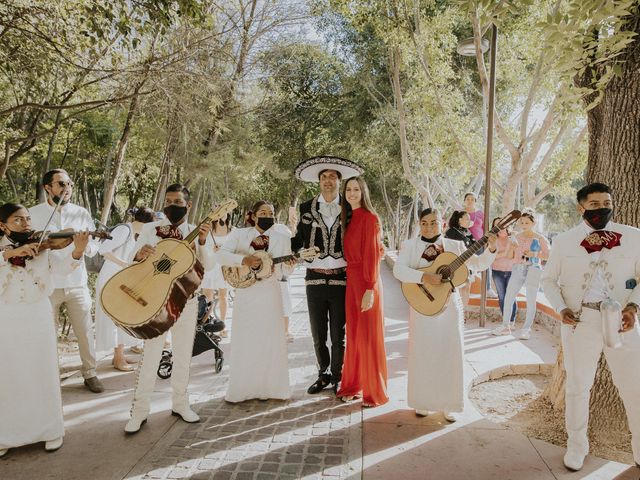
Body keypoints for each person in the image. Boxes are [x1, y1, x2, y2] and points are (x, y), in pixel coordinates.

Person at [541, 182, 640, 472]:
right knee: (577, 387)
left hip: (622, 322)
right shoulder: (563, 241)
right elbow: (548, 281)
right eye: (595, 204)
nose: (602, 208)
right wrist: (561, 308)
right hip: (580, 322)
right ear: (581, 207)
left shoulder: (634, 237)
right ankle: (576, 447)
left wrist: (634, 306)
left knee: (634, 387)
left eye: (606, 203)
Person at [124, 184, 215, 434]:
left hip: (186, 299)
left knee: (183, 355)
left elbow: (209, 266)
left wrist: (204, 242)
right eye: (168, 201)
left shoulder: (198, 232)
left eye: (178, 201)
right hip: (156, 301)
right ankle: (139, 411)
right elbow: (133, 255)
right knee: (151, 355)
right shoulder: (152, 228)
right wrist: (140, 253)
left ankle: (181, 403)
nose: (172, 206)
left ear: (188, 205)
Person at [0, 203, 89, 456]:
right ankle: (6, 435)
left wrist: (77, 252)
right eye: (18, 220)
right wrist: (6, 255)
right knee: (8, 374)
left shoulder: (44, 245)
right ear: (2, 225)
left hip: (37, 311)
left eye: (28, 218)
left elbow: (61, 270)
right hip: (5, 314)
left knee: (42, 369)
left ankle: (51, 430)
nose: (26, 223)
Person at [393, 208, 496, 421]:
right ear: (419, 224)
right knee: (423, 353)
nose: (429, 226)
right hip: (422, 306)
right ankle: (423, 402)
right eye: (425, 222)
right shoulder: (410, 246)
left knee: (451, 352)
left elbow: (477, 264)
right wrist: (424, 278)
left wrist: (491, 248)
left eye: (434, 222)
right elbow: (399, 270)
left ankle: (450, 404)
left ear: (442, 224)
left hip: (450, 305)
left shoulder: (456, 246)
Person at [291, 156, 364, 395]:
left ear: (339, 180)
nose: (328, 181)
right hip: (314, 279)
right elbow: (298, 242)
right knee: (318, 333)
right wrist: (298, 250)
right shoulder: (305, 208)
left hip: (341, 280)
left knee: (338, 334)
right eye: (324, 177)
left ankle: (338, 376)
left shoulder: (350, 209)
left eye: (332, 176)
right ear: (318, 181)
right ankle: (322, 374)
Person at [29, 169, 104, 393]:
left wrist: (82, 244)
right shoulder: (33, 214)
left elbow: (92, 250)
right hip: (47, 284)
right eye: (61, 184)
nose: (67, 188)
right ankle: (50, 374)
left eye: (69, 184)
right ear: (47, 188)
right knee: (47, 333)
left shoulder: (81, 213)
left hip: (76, 282)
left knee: (84, 331)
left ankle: (90, 372)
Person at [216, 200, 294, 402]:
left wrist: (289, 265)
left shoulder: (282, 238)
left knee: (270, 340)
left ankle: (271, 389)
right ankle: (243, 390)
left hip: (270, 292)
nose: (267, 214)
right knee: (246, 339)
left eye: (271, 211)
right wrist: (244, 260)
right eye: (263, 211)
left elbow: (285, 272)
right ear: (254, 215)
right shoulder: (239, 234)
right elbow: (221, 255)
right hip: (246, 293)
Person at [336, 177, 388, 407]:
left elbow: (372, 255)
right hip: (352, 281)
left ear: (363, 192)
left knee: (368, 336)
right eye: (349, 189)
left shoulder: (370, 218)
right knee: (355, 336)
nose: (352, 193)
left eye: (357, 189)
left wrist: (370, 288)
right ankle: (353, 385)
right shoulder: (346, 219)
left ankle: (374, 392)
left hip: (368, 282)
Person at [94, 206, 156, 371]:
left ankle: (119, 355)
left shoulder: (135, 233)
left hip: (122, 279)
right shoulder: (124, 230)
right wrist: (125, 264)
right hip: (111, 278)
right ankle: (118, 359)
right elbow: (103, 250)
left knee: (123, 317)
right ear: (145, 222)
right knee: (115, 318)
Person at [492, 208, 550, 340]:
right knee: (508, 296)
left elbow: (548, 256)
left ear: (533, 223)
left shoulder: (540, 238)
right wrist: (512, 247)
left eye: (526, 223)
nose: (523, 225)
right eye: (521, 223)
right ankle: (505, 325)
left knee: (531, 299)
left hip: (534, 268)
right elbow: (511, 256)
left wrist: (534, 254)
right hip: (518, 268)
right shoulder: (516, 237)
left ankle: (526, 329)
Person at [202, 213, 232, 337]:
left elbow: (234, 248)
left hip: (223, 266)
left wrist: (224, 251)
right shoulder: (209, 229)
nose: (222, 216)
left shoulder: (232, 230)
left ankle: (222, 325)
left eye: (225, 212)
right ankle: (208, 324)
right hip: (211, 264)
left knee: (223, 296)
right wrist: (212, 250)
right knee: (207, 296)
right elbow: (203, 246)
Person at [445, 210, 476, 306]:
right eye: (467, 218)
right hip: (454, 265)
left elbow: (474, 246)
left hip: (467, 265)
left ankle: (464, 312)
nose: (469, 221)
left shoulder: (467, 232)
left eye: (469, 219)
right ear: (459, 220)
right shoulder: (451, 232)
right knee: (453, 288)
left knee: (467, 286)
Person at [490, 216, 517, 325]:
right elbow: (493, 256)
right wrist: (505, 252)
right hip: (497, 271)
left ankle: (511, 321)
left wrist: (503, 253)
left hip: (511, 270)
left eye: (502, 224)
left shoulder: (513, 237)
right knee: (501, 296)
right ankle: (505, 319)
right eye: (497, 225)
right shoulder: (492, 239)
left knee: (511, 295)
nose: (500, 228)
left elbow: (511, 256)